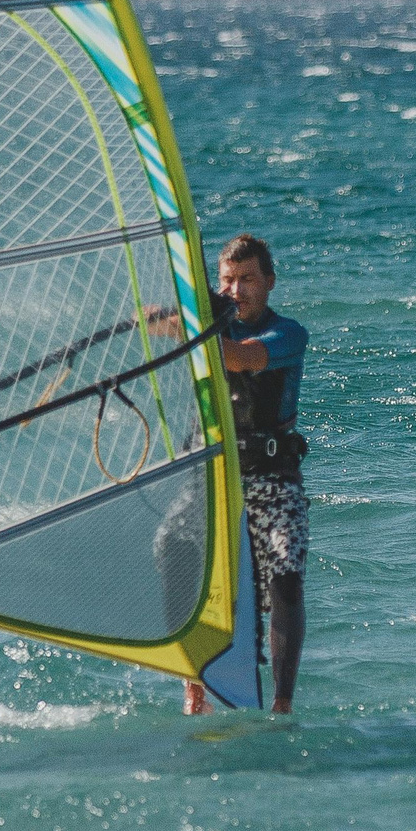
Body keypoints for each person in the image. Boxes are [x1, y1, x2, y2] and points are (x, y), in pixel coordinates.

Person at [182, 234, 309, 715]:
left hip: (274, 483)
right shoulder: (209, 324)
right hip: (212, 478)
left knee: (286, 575)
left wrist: (197, 327)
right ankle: (194, 684)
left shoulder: (289, 333)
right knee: (170, 549)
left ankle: (281, 704)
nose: (237, 290)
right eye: (228, 281)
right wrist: (165, 315)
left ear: (270, 283)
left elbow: (240, 359)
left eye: (248, 280)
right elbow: (154, 320)